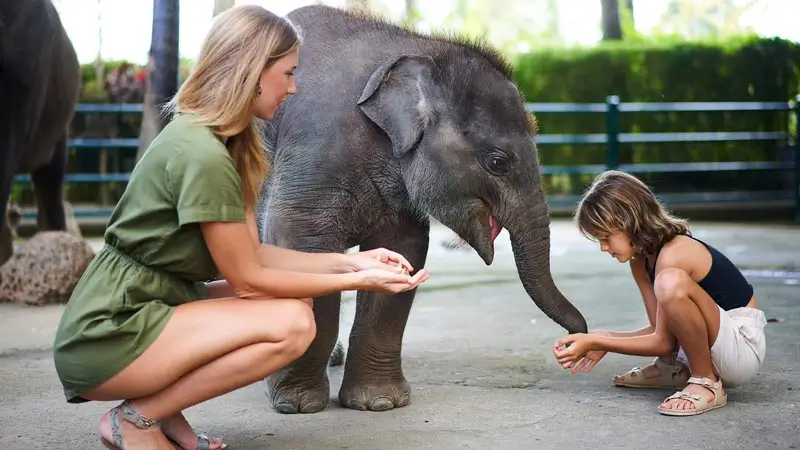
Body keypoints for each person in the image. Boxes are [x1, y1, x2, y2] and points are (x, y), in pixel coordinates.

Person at [52, 6, 429, 450]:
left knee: (294, 302)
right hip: (110, 328)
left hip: (152, 303)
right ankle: (138, 417)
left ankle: (161, 415)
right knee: (290, 323)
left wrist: (352, 262)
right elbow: (247, 278)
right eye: (287, 73)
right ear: (252, 70)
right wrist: (360, 279)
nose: (293, 87)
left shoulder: (227, 143)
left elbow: (253, 253)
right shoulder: (202, 153)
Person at [552, 170, 767, 417]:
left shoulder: (675, 252)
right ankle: (671, 367)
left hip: (741, 347)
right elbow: (660, 334)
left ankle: (706, 381)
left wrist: (599, 341)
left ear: (629, 222)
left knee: (669, 281)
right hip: (712, 345)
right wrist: (601, 336)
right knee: (667, 285)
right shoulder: (640, 262)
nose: (603, 247)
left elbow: (662, 341)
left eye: (605, 237)